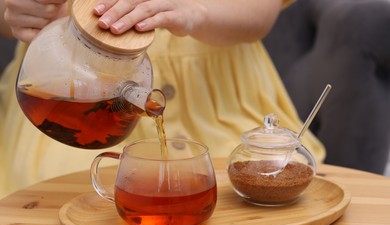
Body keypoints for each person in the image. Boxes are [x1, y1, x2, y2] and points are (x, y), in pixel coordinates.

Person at [0, 0, 325, 198]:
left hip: (219, 93)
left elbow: (260, 11)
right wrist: (20, 10)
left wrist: (194, 9)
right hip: (69, 88)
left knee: (254, 204)